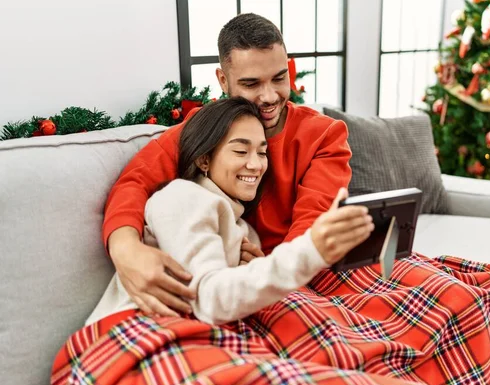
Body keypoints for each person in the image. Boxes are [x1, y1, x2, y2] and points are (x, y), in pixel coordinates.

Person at [103, 13, 355, 317]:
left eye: (278, 78)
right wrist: (127, 251)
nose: (269, 96)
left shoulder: (325, 134)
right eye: (251, 83)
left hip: (298, 271)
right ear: (223, 80)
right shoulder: (204, 130)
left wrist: (264, 269)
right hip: (238, 286)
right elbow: (135, 182)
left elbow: (313, 225)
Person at [87, 97, 374, 326]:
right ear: (203, 160)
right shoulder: (182, 198)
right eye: (240, 151)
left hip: (193, 326)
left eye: (262, 152)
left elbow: (227, 294)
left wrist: (253, 268)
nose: (256, 165)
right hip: (134, 331)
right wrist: (311, 251)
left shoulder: (243, 230)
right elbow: (211, 299)